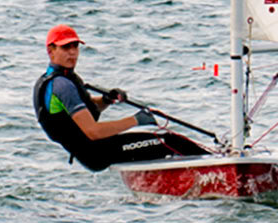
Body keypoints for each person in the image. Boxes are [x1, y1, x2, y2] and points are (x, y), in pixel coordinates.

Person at [33, 24, 210, 171]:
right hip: (97, 153)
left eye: (75, 46)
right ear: (51, 51)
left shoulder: (57, 80)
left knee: (158, 140)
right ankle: (213, 166)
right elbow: (93, 131)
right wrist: (136, 120)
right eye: (66, 47)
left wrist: (106, 100)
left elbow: (85, 109)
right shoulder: (62, 86)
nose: (72, 52)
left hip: (93, 151)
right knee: (169, 141)